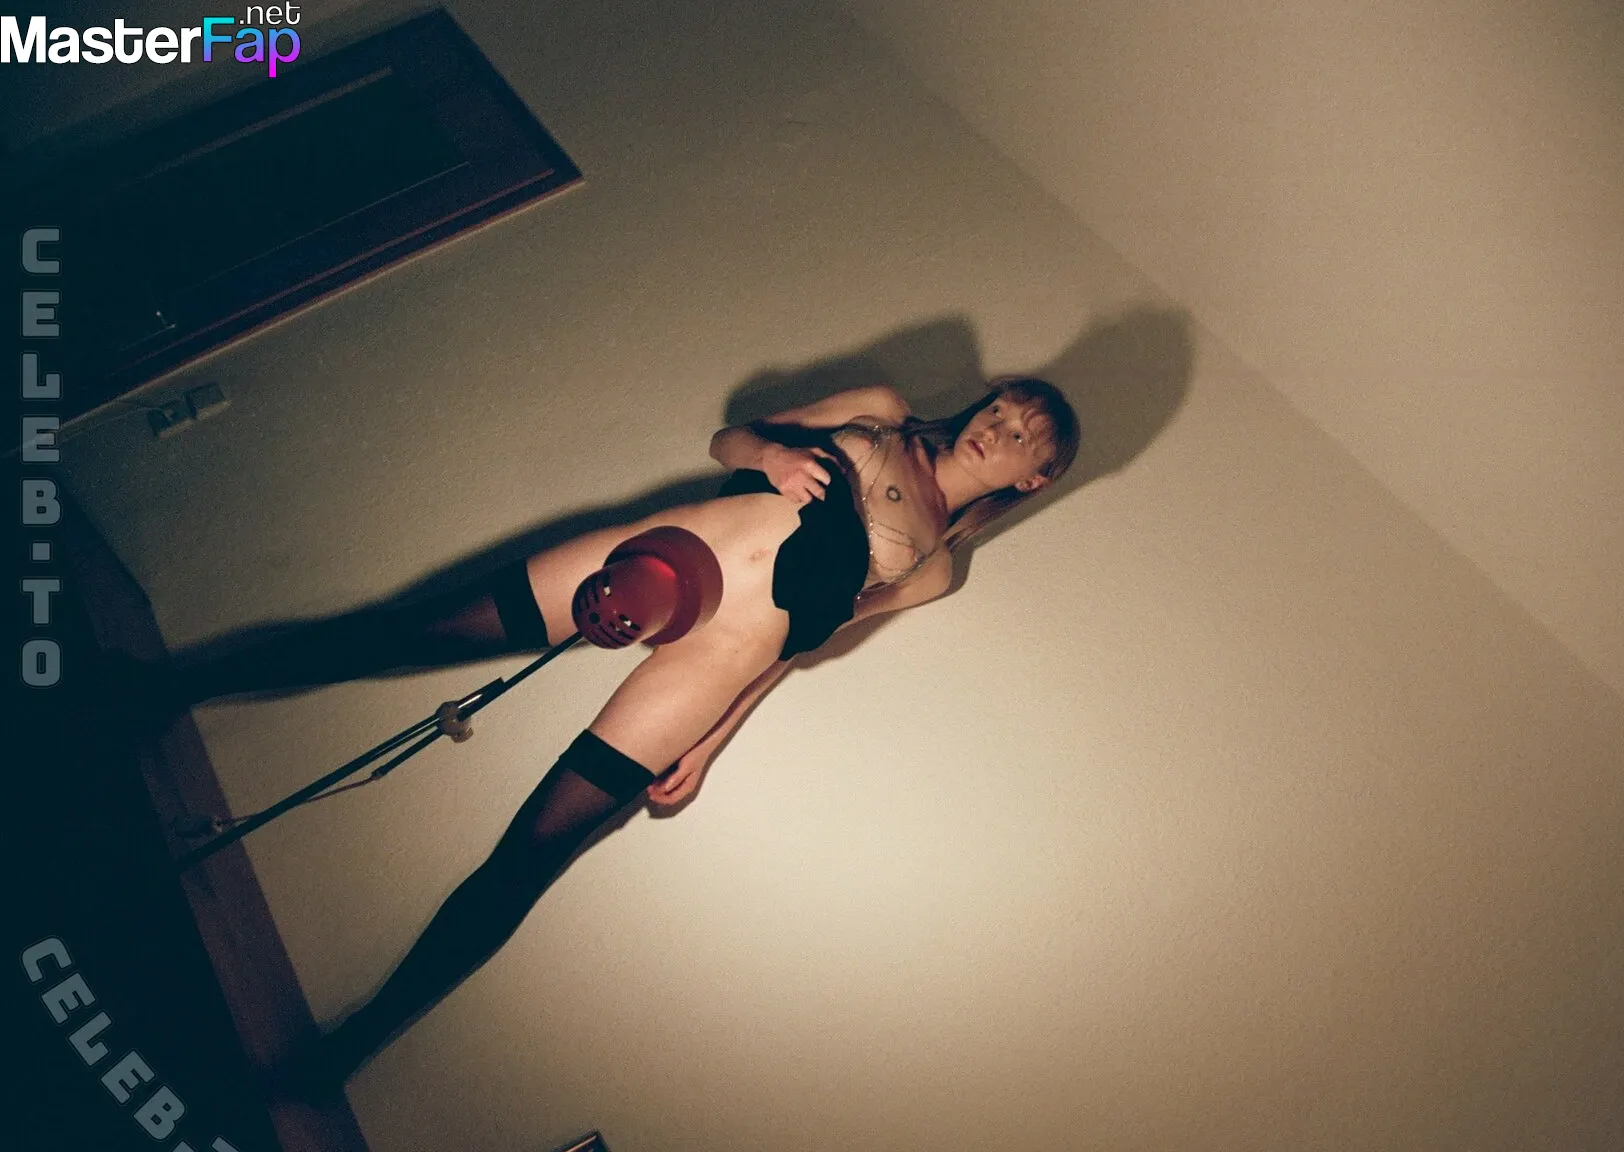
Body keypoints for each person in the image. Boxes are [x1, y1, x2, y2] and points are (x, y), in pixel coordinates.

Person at [141, 375, 1080, 1093]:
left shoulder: (935, 570)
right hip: (670, 552)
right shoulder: (882, 411)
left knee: (537, 851)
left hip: (726, 654)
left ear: (1033, 477)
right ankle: (163, 689)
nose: (999, 425)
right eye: (1004, 405)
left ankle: (343, 1051)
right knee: (403, 634)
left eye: (1024, 434)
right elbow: (727, 437)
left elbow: (806, 646)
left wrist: (710, 742)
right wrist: (770, 456)